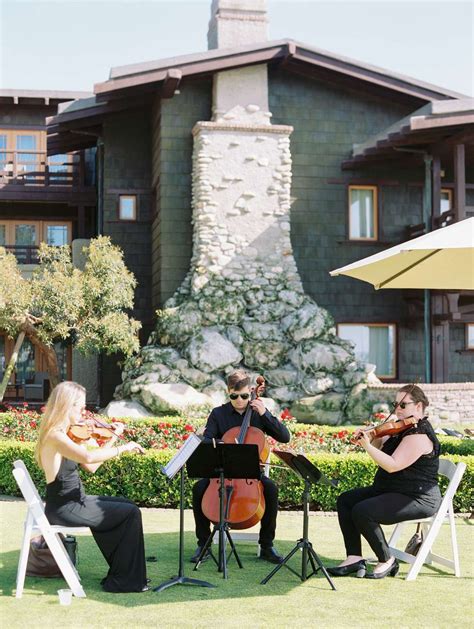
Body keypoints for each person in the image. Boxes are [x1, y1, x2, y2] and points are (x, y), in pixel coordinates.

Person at [35, 381, 149, 593]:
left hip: (75, 501)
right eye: (80, 407)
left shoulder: (65, 433)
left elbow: (92, 466)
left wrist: (112, 438)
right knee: (131, 512)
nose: (84, 412)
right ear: (66, 406)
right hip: (65, 508)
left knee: (127, 505)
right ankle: (126, 580)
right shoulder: (55, 436)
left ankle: (123, 573)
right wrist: (125, 447)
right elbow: (88, 455)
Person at [328, 384, 441, 579]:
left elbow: (393, 465)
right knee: (346, 500)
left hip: (417, 497)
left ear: (419, 406)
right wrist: (372, 437)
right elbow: (380, 449)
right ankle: (354, 557)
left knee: (363, 511)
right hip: (391, 489)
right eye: (395, 404)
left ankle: (386, 559)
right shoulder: (400, 428)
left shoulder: (419, 435)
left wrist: (367, 447)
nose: (397, 409)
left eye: (403, 405)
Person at [191, 370, 291, 564]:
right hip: (222, 472)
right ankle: (203, 544)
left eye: (244, 396)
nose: (239, 400)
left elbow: (285, 437)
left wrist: (265, 413)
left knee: (270, 489)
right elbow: (208, 439)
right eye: (234, 396)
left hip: (251, 473)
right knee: (199, 489)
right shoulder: (218, 414)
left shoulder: (258, 414)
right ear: (228, 392)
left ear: (251, 392)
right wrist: (216, 442)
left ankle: (267, 545)